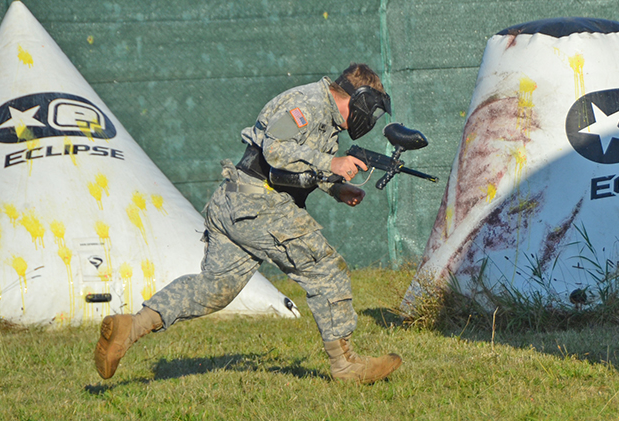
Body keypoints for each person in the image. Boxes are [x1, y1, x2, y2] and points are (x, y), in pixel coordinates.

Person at [94, 63, 402, 384]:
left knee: (216, 287)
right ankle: (346, 364)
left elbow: (299, 168)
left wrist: (337, 187)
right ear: (360, 101)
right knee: (324, 268)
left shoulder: (327, 118)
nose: (371, 119)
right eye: (372, 111)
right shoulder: (307, 105)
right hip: (260, 205)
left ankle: (131, 327)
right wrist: (332, 162)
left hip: (237, 201)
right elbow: (275, 151)